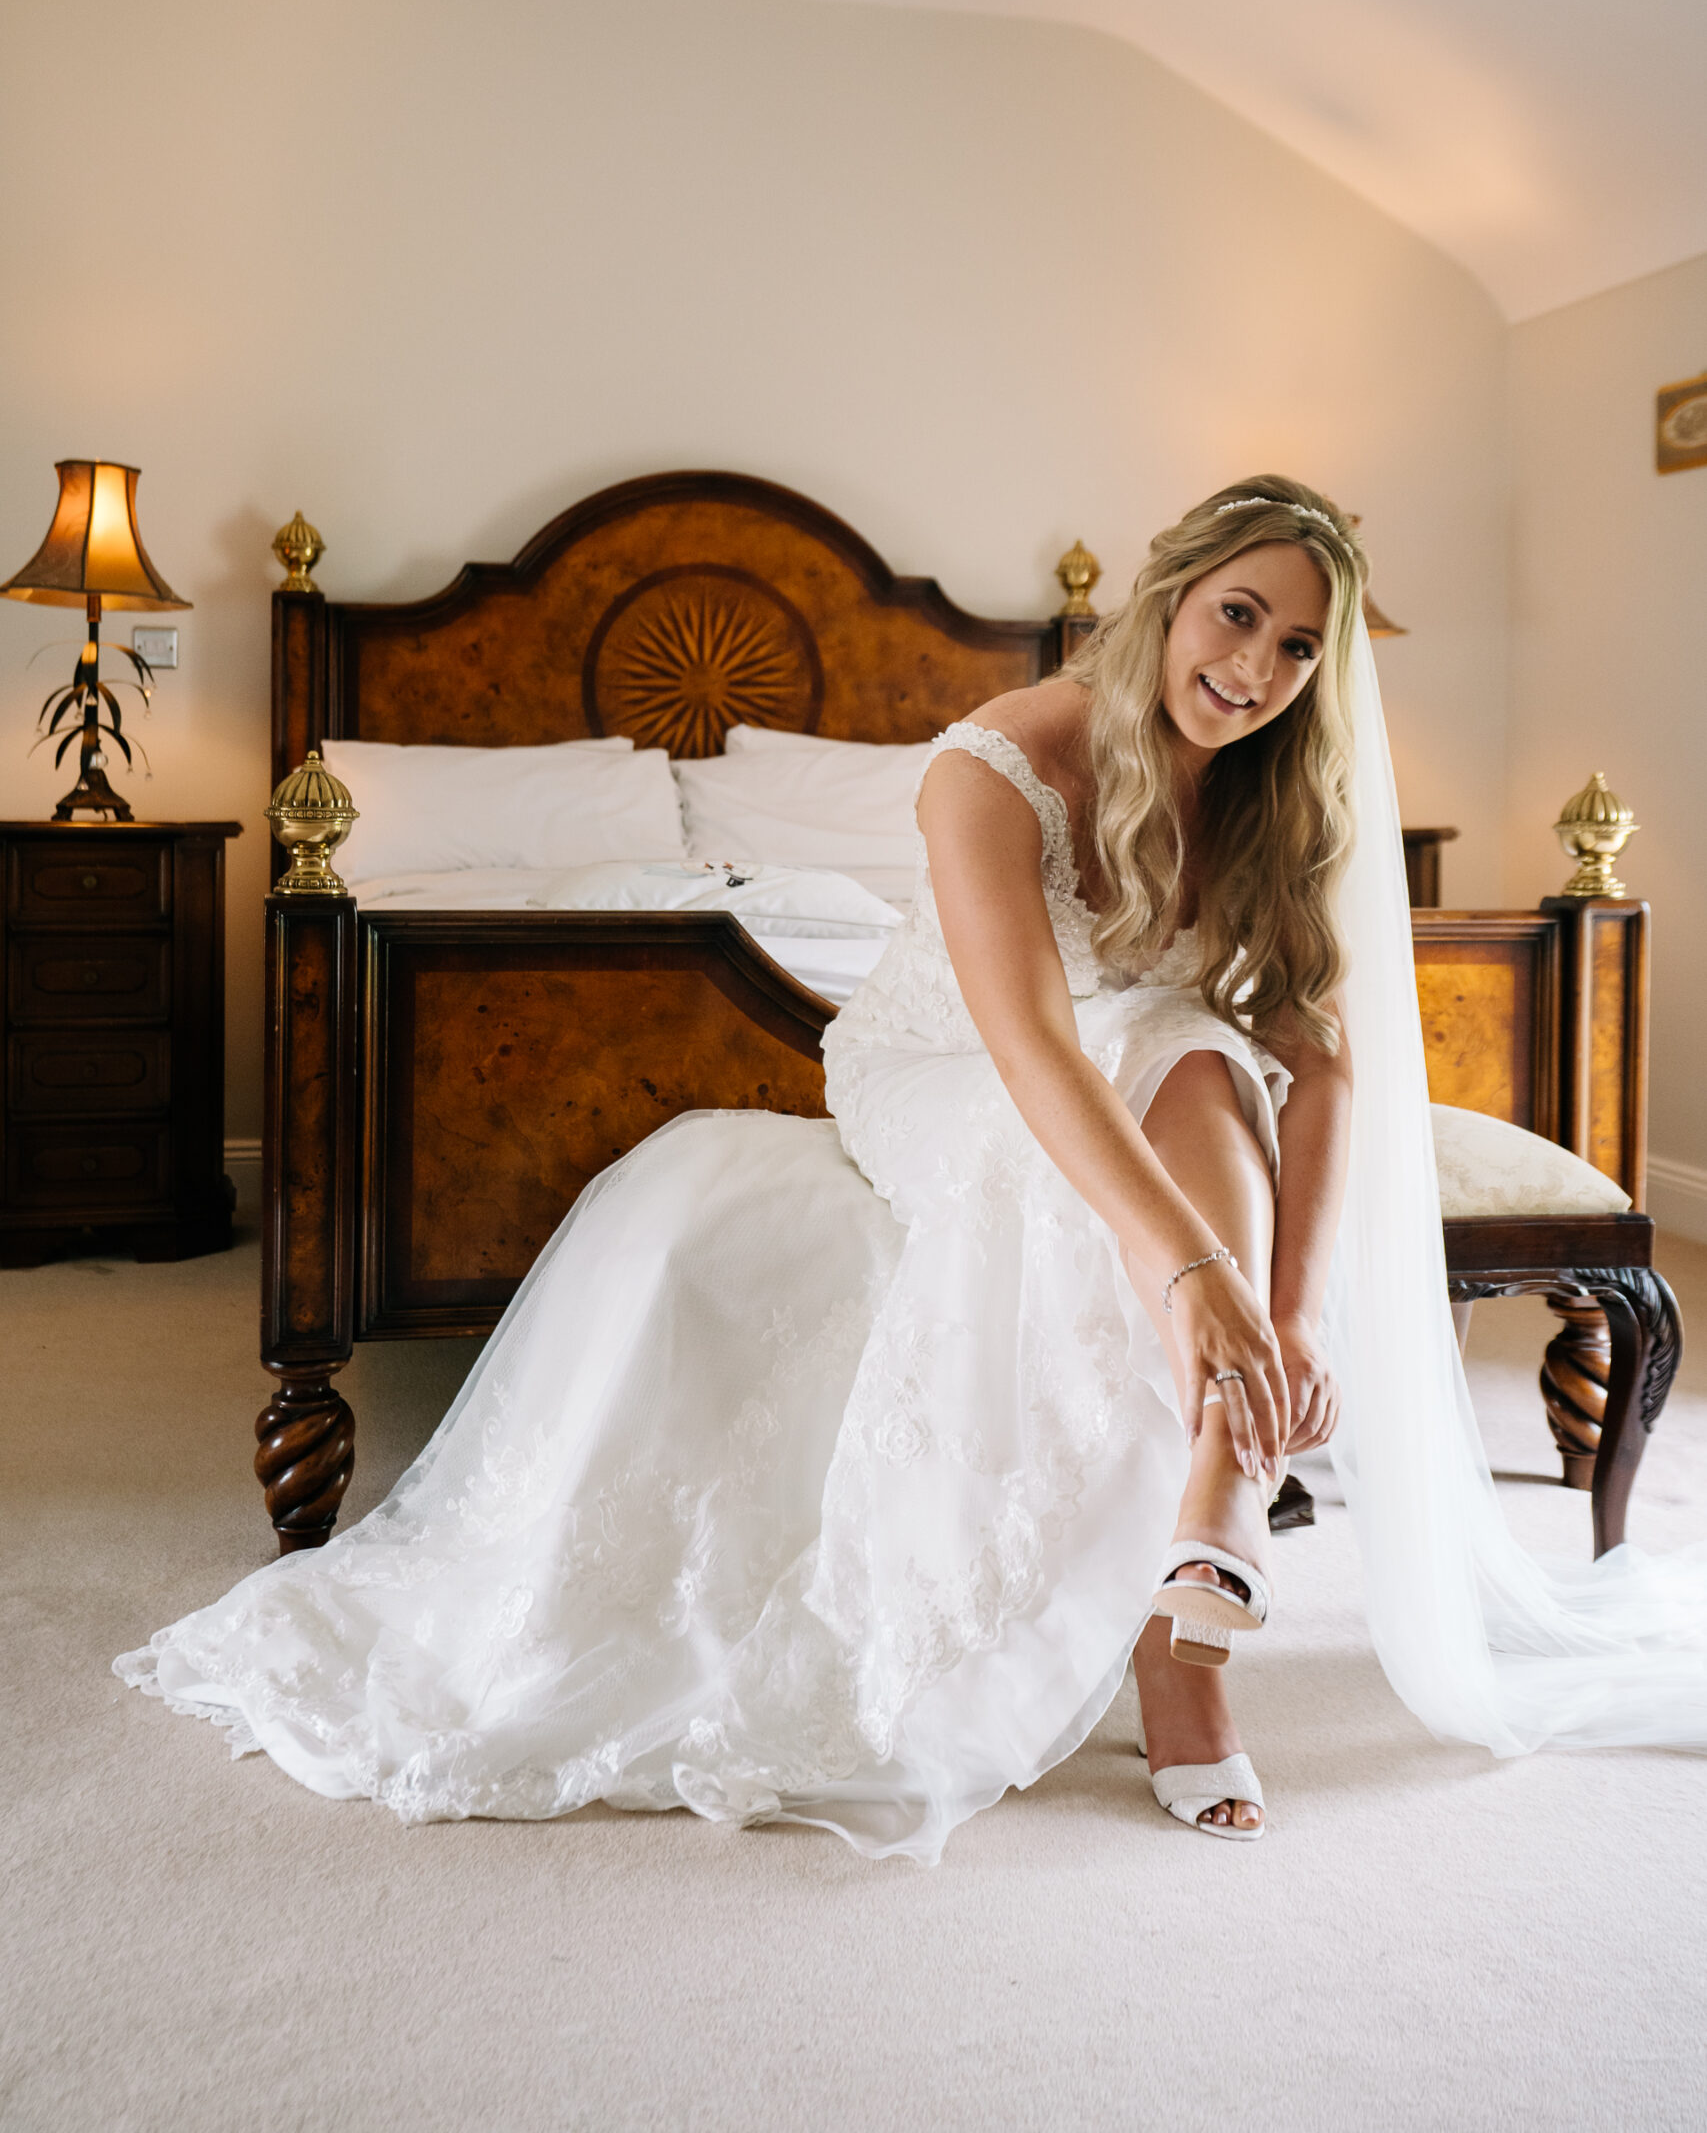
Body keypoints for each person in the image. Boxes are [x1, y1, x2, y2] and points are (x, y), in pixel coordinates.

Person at [118, 476, 1707, 1854]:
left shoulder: (1286, 798)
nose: (1259, 671)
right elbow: (1025, 1044)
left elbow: (1331, 1056)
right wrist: (1198, 1274)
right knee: (1166, 1051)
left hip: (1153, 1073)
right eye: (1237, 617)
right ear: (1166, 598)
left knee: (1200, 1048)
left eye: (1300, 648)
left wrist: (1286, 1318)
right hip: (941, 1068)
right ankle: (1199, 1619)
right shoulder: (990, 764)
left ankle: (1205, 1549)